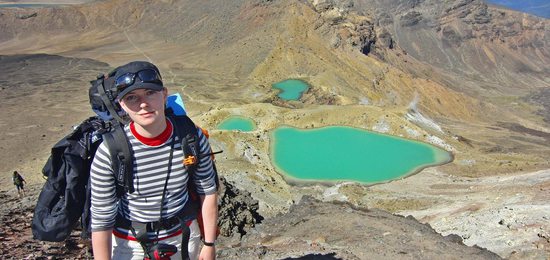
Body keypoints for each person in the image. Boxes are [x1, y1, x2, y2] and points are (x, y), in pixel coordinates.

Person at [90, 61, 218, 260]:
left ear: (164, 94)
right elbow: (101, 218)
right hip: (130, 245)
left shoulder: (190, 136)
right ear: (122, 105)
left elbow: (207, 190)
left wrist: (209, 244)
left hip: (183, 238)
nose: (143, 104)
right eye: (132, 97)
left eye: (150, 93)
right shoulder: (110, 151)